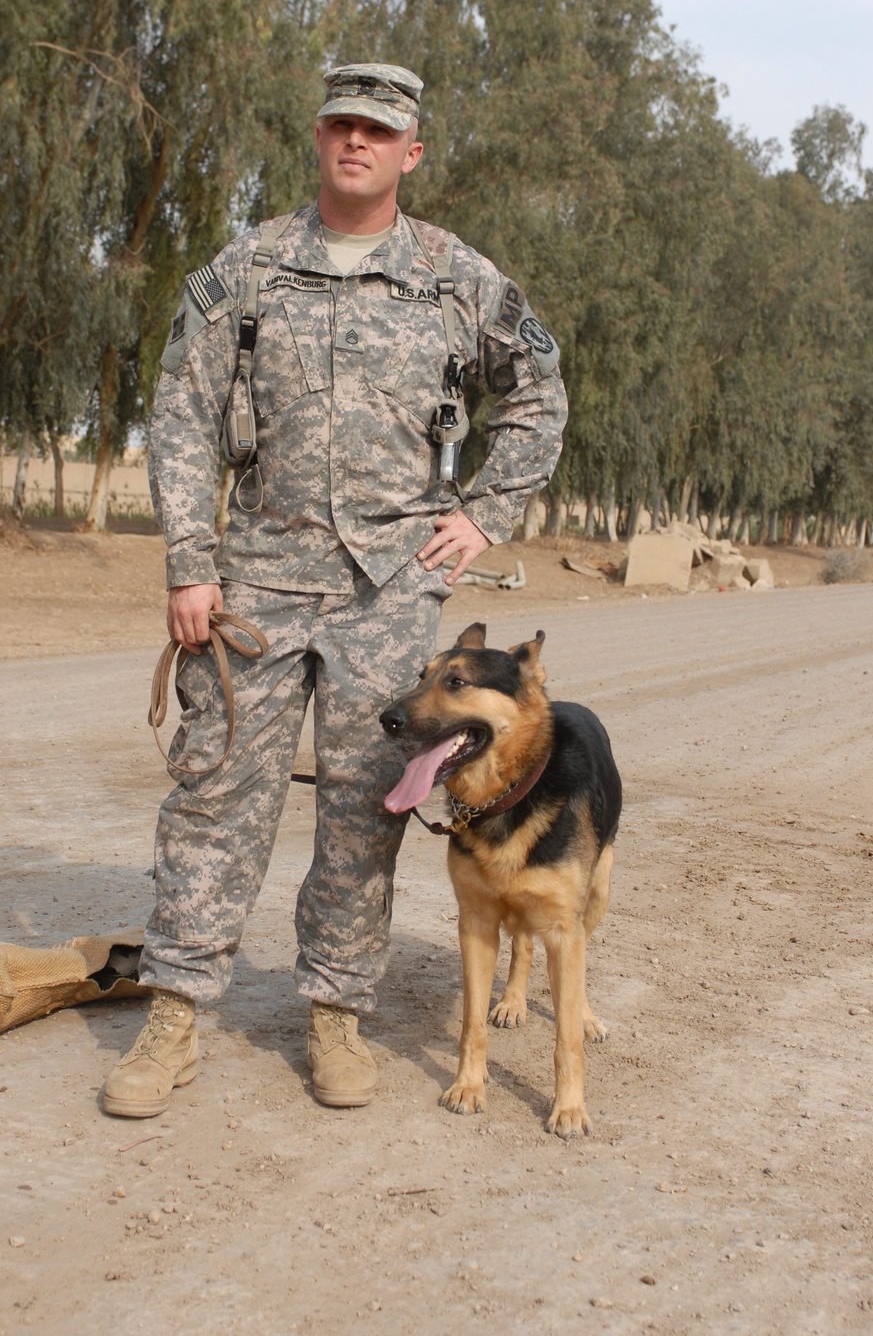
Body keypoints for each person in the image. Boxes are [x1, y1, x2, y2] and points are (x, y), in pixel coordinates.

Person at [102, 63, 568, 1118]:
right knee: (214, 799)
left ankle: (334, 1015)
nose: (354, 141)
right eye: (339, 124)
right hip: (256, 583)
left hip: (391, 594)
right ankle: (174, 1017)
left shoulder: (460, 279)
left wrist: (485, 513)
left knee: (368, 808)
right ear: (318, 139)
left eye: (378, 130)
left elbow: (538, 394)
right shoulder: (250, 269)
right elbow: (179, 412)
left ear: (411, 152)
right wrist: (189, 559)